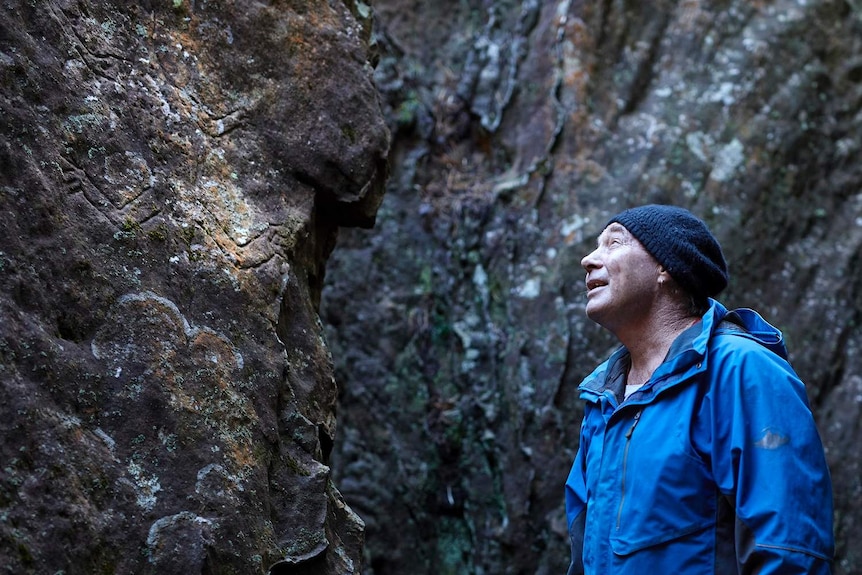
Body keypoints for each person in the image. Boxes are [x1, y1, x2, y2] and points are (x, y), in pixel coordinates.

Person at [564, 204, 835, 574]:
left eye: (613, 242)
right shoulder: (603, 396)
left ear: (665, 267)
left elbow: (788, 548)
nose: (588, 259)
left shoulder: (740, 369)